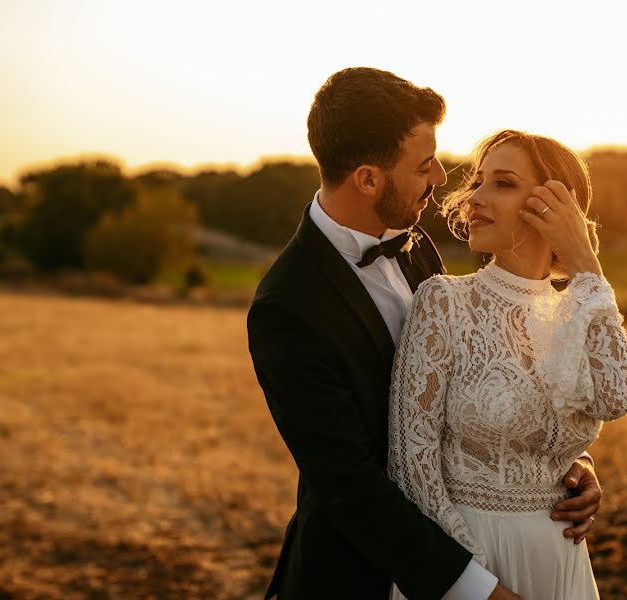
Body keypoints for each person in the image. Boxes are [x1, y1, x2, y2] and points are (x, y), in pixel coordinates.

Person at [247, 68, 604, 600]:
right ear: (368, 179)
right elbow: (351, 486)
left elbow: (481, 382)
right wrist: (477, 592)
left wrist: (559, 466)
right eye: (423, 165)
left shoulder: (415, 247)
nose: (441, 176)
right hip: (362, 576)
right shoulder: (286, 307)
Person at [387, 130, 627, 599]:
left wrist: (587, 262)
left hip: (561, 561)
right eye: (479, 181)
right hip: (473, 564)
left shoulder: (580, 309)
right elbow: (413, 466)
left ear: (556, 208)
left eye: (502, 183)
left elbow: (619, 395)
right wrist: (477, 584)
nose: (475, 198)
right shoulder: (445, 302)